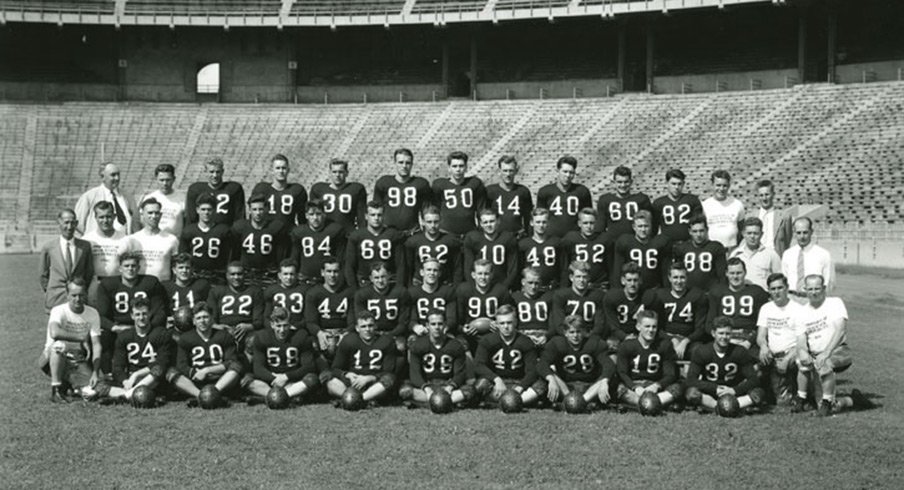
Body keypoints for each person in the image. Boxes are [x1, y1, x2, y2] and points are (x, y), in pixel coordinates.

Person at [793, 275, 872, 416]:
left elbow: (840, 330)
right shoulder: (801, 311)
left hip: (838, 351)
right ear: (805, 290)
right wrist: (803, 351)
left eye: (817, 288)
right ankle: (850, 400)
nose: (814, 292)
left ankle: (827, 402)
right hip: (816, 354)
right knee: (801, 362)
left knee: (825, 365)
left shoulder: (835, 303)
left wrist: (827, 352)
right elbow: (801, 339)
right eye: (810, 289)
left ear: (824, 288)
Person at [95, 252, 167, 372]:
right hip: (120, 328)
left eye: (133, 266)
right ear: (120, 268)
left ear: (139, 268)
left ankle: (156, 371)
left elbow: (160, 311)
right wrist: (114, 328)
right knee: (103, 337)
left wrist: (147, 327)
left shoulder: (150, 282)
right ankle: (108, 374)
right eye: (126, 266)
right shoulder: (107, 284)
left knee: (162, 335)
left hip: (145, 326)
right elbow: (100, 315)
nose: (130, 269)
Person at [40, 279, 102, 403]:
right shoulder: (58, 310)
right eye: (74, 295)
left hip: (77, 359)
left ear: (86, 295)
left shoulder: (92, 313)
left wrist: (95, 372)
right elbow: (54, 332)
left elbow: (96, 344)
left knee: (93, 390)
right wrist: (81, 337)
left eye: (81, 295)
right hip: (51, 358)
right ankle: (56, 390)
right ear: (67, 295)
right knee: (59, 346)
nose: (77, 299)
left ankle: (72, 386)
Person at [685, 316, 764, 414]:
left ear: (731, 334)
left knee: (758, 393)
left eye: (727, 333)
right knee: (691, 393)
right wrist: (715, 388)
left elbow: (754, 379)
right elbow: (691, 380)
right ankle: (726, 407)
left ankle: (721, 408)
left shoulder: (740, 351)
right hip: (711, 394)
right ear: (714, 333)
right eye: (721, 333)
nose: (724, 337)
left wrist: (734, 390)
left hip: (734, 392)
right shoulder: (701, 351)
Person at [169, 301, 243, 405]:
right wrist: (195, 373)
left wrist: (207, 370)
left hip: (219, 380)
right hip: (196, 380)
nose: (202, 321)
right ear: (193, 321)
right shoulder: (185, 338)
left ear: (212, 319)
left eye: (205, 317)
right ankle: (202, 395)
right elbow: (181, 365)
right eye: (198, 318)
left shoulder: (224, 336)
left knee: (237, 367)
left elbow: (231, 361)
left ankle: (212, 394)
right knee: (171, 374)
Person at [245, 306, 323, 404]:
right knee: (246, 381)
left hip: (292, 382)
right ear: (272, 324)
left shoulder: (301, 336)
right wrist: (274, 378)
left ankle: (270, 397)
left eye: (285, 325)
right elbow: (258, 368)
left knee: (312, 379)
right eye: (278, 326)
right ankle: (287, 397)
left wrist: (286, 377)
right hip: (270, 381)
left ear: (290, 324)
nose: (282, 330)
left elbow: (309, 366)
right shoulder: (262, 337)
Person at [474, 305, 546, 407]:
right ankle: (514, 402)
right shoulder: (487, 340)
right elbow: (478, 365)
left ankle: (507, 402)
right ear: (497, 324)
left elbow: (532, 370)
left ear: (515, 322)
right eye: (502, 323)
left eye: (509, 322)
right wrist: (496, 379)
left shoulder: (525, 341)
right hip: (496, 384)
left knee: (541, 385)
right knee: (480, 384)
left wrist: (521, 387)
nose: (506, 326)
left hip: (519, 382)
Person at [540, 315, 615, 409]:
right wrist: (551, 379)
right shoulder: (557, 343)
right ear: (565, 333)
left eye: (578, 332)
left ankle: (580, 402)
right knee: (549, 374)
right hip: (566, 386)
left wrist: (605, 381)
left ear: (584, 332)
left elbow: (609, 364)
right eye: (571, 332)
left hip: (590, 386)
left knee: (608, 377)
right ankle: (573, 401)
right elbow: (542, 363)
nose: (575, 335)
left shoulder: (594, 343)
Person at [402, 308, 472, 408]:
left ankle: (431, 402)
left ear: (445, 325)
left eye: (440, 324)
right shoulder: (418, 345)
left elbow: (459, 374)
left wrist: (450, 387)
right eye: (433, 324)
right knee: (405, 391)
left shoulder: (455, 345)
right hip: (427, 385)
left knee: (470, 391)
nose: (437, 327)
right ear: (427, 325)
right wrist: (426, 388)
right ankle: (444, 402)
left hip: (447, 385)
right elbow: (415, 374)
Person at [615, 310, 684, 412]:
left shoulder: (665, 345)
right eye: (647, 326)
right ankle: (654, 404)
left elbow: (670, 374)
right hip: (634, 387)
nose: (651, 330)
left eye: (654, 327)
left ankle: (640, 405)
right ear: (638, 327)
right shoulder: (626, 345)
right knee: (618, 388)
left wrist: (657, 385)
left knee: (678, 388)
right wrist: (635, 387)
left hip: (655, 387)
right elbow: (622, 372)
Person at [326, 311, 398, 407]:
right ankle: (361, 400)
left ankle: (353, 399)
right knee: (326, 376)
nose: (367, 329)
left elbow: (389, 371)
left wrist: (370, 378)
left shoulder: (386, 341)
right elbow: (335, 368)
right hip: (353, 382)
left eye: (370, 325)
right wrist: (347, 374)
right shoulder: (348, 340)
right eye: (363, 326)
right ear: (357, 328)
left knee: (389, 379)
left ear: (376, 326)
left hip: (373, 384)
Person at [108, 297, 172, 401]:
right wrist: (125, 381)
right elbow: (118, 367)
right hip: (132, 380)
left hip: (152, 378)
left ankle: (125, 396)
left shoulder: (160, 333)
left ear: (150, 314)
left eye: (144, 314)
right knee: (99, 385)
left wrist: (137, 374)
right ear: (132, 316)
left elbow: (162, 362)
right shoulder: (124, 336)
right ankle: (131, 393)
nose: (141, 318)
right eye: (137, 314)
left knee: (158, 370)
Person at [755, 273, 805, 405]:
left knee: (784, 402)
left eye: (780, 288)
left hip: (793, 355)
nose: (776, 292)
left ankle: (799, 391)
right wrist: (763, 346)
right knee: (755, 371)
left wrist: (788, 358)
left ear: (787, 288)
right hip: (772, 355)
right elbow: (760, 335)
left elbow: (802, 341)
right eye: (773, 289)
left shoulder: (798, 309)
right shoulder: (766, 308)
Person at [641, 263, 709, 360]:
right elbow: (656, 326)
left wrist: (686, 340)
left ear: (687, 278)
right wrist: (671, 339)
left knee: (698, 351)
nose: (679, 281)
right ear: (669, 278)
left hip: (690, 340)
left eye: (682, 277)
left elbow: (701, 328)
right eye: (675, 277)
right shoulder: (660, 296)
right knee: (659, 349)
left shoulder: (697, 295)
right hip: (666, 338)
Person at [707, 258, 770, 352]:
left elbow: (763, 324)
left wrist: (749, 341)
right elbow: (709, 324)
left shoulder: (757, 292)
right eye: (732, 273)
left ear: (745, 273)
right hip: (724, 337)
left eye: (739, 273)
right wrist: (723, 339)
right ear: (726, 274)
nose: (735, 276)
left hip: (749, 338)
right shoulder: (717, 293)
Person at [39, 208, 94, 311]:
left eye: (73, 223)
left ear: (76, 223)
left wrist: (79, 290)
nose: (69, 227)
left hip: (77, 299)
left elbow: (89, 273)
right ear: (59, 223)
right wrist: (51, 291)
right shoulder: (49, 247)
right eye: (66, 223)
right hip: (55, 299)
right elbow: (43, 274)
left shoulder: (85, 246)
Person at [453, 259, 513, 353]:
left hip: (494, 335)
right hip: (470, 336)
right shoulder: (463, 290)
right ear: (473, 275)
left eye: (486, 273)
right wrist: (463, 329)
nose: (483, 277)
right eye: (480, 273)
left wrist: (500, 325)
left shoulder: (501, 290)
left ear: (492, 275)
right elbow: (458, 319)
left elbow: (508, 316)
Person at [231, 193, 288, 287]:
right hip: (246, 273)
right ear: (249, 210)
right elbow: (235, 252)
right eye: (254, 209)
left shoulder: (275, 227)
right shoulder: (240, 227)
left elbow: (281, 253)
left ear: (266, 209)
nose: (258, 213)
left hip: (268, 274)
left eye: (261, 209)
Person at [344, 201, 406, 288]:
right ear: (366, 216)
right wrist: (353, 289)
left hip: (388, 283)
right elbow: (350, 265)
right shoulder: (356, 236)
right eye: (372, 215)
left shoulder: (393, 235)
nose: (376, 218)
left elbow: (400, 264)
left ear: (384, 216)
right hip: (364, 282)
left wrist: (399, 286)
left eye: (379, 215)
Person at [353, 262, 410, 353]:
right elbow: (360, 319)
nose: (380, 281)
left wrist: (390, 335)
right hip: (371, 333)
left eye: (383, 276)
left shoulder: (400, 292)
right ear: (371, 279)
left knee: (400, 347)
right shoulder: (362, 294)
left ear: (389, 276)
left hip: (394, 333)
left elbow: (403, 322)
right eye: (376, 277)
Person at [372, 148, 432, 234]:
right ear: (395, 163)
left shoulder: (421, 184)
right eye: (401, 162)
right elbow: (376, 210)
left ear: (412, 164)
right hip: (388, 233)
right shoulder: (384, 182)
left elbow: (427, 211)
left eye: (407, 163)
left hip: (412, 233)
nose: (404, 166)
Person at [304, 258, 355, 358]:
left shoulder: (349, 292)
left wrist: (346, 333)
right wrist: (319, 333)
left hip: (343, 331)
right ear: (322, 273)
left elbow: (353, 321)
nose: (332, 275)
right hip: (323, 331)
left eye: (335, 271)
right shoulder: (313, 293)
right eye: (329, 271)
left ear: (340, 272)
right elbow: (310, 321)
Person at [120, 198, 180, 282]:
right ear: (142, 214)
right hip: (138, 286)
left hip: (162, 285)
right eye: (150, 213)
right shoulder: (132, 239)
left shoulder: (171, 240)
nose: (154, 216)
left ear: (161, 215)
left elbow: (176, 267)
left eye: (157, 213)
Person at [289, 199, 347, 285]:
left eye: (318, 214)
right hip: (305, 278)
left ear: (324, 214)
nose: (315, 218)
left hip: (327, 279)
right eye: (311, 214)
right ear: (306, 216)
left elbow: (340, 257)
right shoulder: (299, 232)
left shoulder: (335, 230)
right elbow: (295, 257)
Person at [207, 262, 264, 348]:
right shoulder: (216, 291)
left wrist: (249, 326)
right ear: (226, 275)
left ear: (244, 275)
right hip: (223, 330)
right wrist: (219, 327)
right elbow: (211, 319)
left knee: (253, 341)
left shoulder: (254, 291)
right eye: (232, 274)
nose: (236, 277)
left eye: (239, 274)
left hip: (246, 331)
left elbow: (259, 320)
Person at [180, 193, 233, 285]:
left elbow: (228, 256)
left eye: (209, 209)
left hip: (216, 276)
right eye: (203, 209)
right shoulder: (188, 230)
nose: (206, 212)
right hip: (194, 276)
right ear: (197, 210)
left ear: (215, 210)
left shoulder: (223, 230)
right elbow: (183, 256)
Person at [403, 205, 462, 287]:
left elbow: (457, 267)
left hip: (444, 284)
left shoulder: (450, 241)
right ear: (423, 222)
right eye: (429, 222)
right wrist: (410, 288)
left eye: (436, 222)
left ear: (441, 221)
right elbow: (408, 268)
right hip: (420, 284)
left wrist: (455, 288)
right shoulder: (413, 242)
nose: (433, 226)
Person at [611, 210, 671, 290]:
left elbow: (665, 271)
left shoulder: (660, 242)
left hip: (654, 288)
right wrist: (617, 290)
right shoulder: (625, 242)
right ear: (634, 227)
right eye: (640, 226)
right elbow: (618, 270)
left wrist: (666, 291)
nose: (643, 229)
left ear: (651, 226)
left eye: (646, 226)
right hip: (632, 289)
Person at [431, 151, 487, 236]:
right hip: (446, 233)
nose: (458, 169)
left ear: (466, 167)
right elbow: (435, 209)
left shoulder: (474, 184)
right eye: (454, 166)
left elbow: (481, 209)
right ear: (449, 168)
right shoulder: (440, 185)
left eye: (461, 166)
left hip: (470, 233)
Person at [462, 208, 519, 291]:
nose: (489, 225)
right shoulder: (473, 238)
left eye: (492, 221)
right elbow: (468, 268)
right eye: (485, 222)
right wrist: (474, 288)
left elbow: (513, 268)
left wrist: (504, 287)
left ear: (498, 221)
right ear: (480, 224)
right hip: (479, 286)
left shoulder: (508, 238)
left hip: (501, 284)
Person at [74, 162, 136, 236]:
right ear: (103, 177)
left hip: (124, 242)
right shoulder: (89, 197)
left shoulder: (128, 197)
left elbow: (136, 222)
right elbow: (78, 223)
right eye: (113, 175)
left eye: (118, 174)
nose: (117, 178)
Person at [536, 155, 592, 237]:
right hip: (551, 238)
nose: (568, 175)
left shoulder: (582, 191)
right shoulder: (545, 191)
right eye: (565, 171)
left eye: (571, 172)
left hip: (575, 238)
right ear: (557, 171)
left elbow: (588, 216)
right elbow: (540, 217)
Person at [250, 153, 308, 233]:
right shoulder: (262, 189)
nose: (281, 171)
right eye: (277, 168)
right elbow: (253, 215)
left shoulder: (297, 190)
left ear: (288, 170)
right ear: (272, 170)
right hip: (267, 233)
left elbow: (302, 218)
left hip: (288, 234)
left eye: (283, 168)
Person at [782, 217, 835, 299]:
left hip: (813, 299)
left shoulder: (823, 254)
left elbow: (829, 283)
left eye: (805, 232)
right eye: (798, 233)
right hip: (791, 298)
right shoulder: (787, 254)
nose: (802, 236)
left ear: (811, 232)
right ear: (794, 233)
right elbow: (784, 279)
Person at [671, 214, 726, 292]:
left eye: (701, 231)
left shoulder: (716, 247)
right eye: (695, 231)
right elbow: (677, 272)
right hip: (688, 292)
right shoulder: (682, 248)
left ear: (707, 230)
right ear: (690, 232)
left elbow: (722, 274)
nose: (698, 235)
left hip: (710, 292)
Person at [595, 165, 653, 240]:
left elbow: (650, 224)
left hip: (635, 242)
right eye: (619, 182)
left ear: (631, 182)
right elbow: (600, 225)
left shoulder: (641, 199)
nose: (623, 185)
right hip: (613, 243)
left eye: (626, 182)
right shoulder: (605, 200)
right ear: (614, 182)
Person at [560, 208, 612, 291]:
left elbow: (610, 267)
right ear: (579, 223)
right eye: (585, 223)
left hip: (599, 287)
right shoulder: (570, 239)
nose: (589, 226)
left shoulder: (605, 239)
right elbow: (565, 267)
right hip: (577, 287)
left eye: (592, 223)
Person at [309, 159, 367, 232]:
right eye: (334, 172)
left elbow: (361, 217)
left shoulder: (356, 189)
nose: (337, 175)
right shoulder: (319, 189)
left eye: (341, 172)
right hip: (325, 234)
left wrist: (362, 235)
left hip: (347, 234)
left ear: (347, 173)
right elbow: (312, 216)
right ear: (329, 173)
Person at [550, 261, 605, 337]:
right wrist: (569, 335)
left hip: (589, 334)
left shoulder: (598, 296)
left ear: (589, 278)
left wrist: (590, 335)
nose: (581, 280)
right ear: (571, 277)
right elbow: (559, 323)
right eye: (578, 277)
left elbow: (600, 324)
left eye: (584, 277)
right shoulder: (561, 295)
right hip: (568, 336)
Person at [185, 157, 246, 226]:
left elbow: (239, 216)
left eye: (218, 172)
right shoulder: (196, 190)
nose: (215, 175)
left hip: (227, 232)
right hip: (204, 233)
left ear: (222, 171)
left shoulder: (233, 189)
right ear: (206, 172)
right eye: (211, 172)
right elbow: (191, 217)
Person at [407, 258, 456, 340]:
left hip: (441, 330)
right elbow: (410, 318)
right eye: (428, 270)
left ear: (439, 273)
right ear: (422, 272)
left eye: (435, 270)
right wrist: (415, 326)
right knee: (412, 340)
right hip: (422, 331)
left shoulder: (448, 291)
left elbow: (452, 318)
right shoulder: (412, 292)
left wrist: (444, 328)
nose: (432, 273)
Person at [729, 217, 781, 290]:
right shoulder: (735, 254)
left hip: (763, 298)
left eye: (756, 233)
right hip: (742, 298)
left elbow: (779, 280)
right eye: (749, 233)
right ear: (743, 234)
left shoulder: (771, 254)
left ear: (761, 234)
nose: (752, 236)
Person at [485, 155, 533, 235]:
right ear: (499, 171)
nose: (508, 174)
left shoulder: (523, 191)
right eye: (505, 170)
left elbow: (528, 217)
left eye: (511, 171)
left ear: (516, 171)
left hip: (517, 236)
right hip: (497, 237)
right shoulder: (490, 191)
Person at [652, 168, 702, 243]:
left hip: (688, 243)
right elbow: (654, 227)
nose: (676, 187)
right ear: (666, 183)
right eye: (673, 184)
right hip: (667, 244)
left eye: (679, 184)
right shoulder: (658, 203)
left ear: (683, 184)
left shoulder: (692, 200)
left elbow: (699, 224)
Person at [518, 208, 563, 292]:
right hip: (530, 289)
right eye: (538, 222)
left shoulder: (556, 242)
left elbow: (562, 267)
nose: (541, 225)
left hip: (551, 288)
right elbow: (519, 268)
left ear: (548, 223)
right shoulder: (523, 244)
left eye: (544, 222)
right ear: (532, 223)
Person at [601, 263, 645, 349]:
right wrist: (624, 337)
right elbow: (612, 324)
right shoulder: (612, 297)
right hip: (618, 336)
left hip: (641, 336)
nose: (632, 284)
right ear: (622, 280)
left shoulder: (646, 297)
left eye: (635, 280)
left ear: (640, 280)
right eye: (629, 280)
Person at [82, 201, 126, 283]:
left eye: (108, 217)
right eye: (101, 217)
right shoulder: (87, 240)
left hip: (117, 282)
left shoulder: (125, 239)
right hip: (94, 283)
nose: (105, 220)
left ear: (114, 217)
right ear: (95, 218)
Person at [701, 169, 745, 249]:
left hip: (732, 250)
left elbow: (741, 230)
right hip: (711, 250)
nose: (721, 189)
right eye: (718, 185)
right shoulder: (705, 206)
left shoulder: (737, 204)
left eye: (724, 186)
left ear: (729, 186)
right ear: (712, 185)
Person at [511, 267, 554, 349]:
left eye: (536, 283)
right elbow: (511, 322)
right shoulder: (515, 298)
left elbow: (554, 322)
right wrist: (524, 336)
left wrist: (547, 336)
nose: (533, 287)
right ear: (523, 282)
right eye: (530, 283)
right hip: (522, 335)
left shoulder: (548, 297)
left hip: (544, 335)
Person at [139, 164, 186, 237]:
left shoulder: (183, 199)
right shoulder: (149, 198)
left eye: (168, 180)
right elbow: (142, 222)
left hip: (175, 242)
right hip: (153, 241)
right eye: (162, 180)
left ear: (174, 179)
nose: (165, 183)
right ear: (156, 179)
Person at [749, 179, 793, 256]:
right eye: (761, 195)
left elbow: (787, 240)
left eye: (767, 194)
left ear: (773, 194)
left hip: (776, 256)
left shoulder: (784, 217)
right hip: (756, 256)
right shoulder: (751, 216)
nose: (764, 198)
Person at [262, 259, 308, 330]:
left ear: (297, 275)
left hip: (297, 328)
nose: (288, 278)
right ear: (279, 275)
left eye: (291, 274)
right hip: (276, 329)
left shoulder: (304, 290)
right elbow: (266, 316)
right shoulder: (271, 290)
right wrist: (273, 327)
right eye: (285, 274)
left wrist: (297, 326)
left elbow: (308, 316)